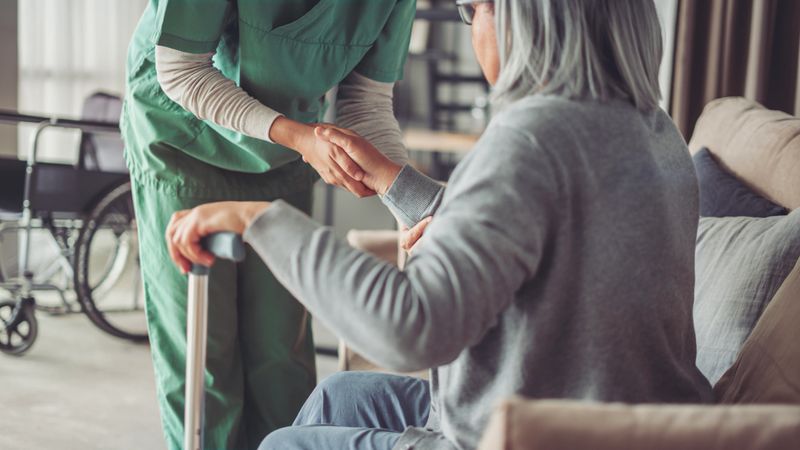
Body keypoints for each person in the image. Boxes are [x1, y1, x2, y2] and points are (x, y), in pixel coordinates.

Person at [166, 1, 714, 449]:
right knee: (339, 397)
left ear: (521, 16)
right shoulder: (653, 128)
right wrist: (390, 180)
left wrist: (259, 220)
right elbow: (518, 225)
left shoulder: (532, 137)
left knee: (285, 446)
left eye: (471, 9)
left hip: (523, 431)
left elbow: (411, 327)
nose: (472, 25)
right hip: (596, 413)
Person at [121, 1, 416, 448]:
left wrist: (408, 211)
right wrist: (300, 138)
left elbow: (366, 102)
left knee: (282, 350)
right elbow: (182, 71)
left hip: (290, 152)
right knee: (205, 354)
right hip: (185, 138)